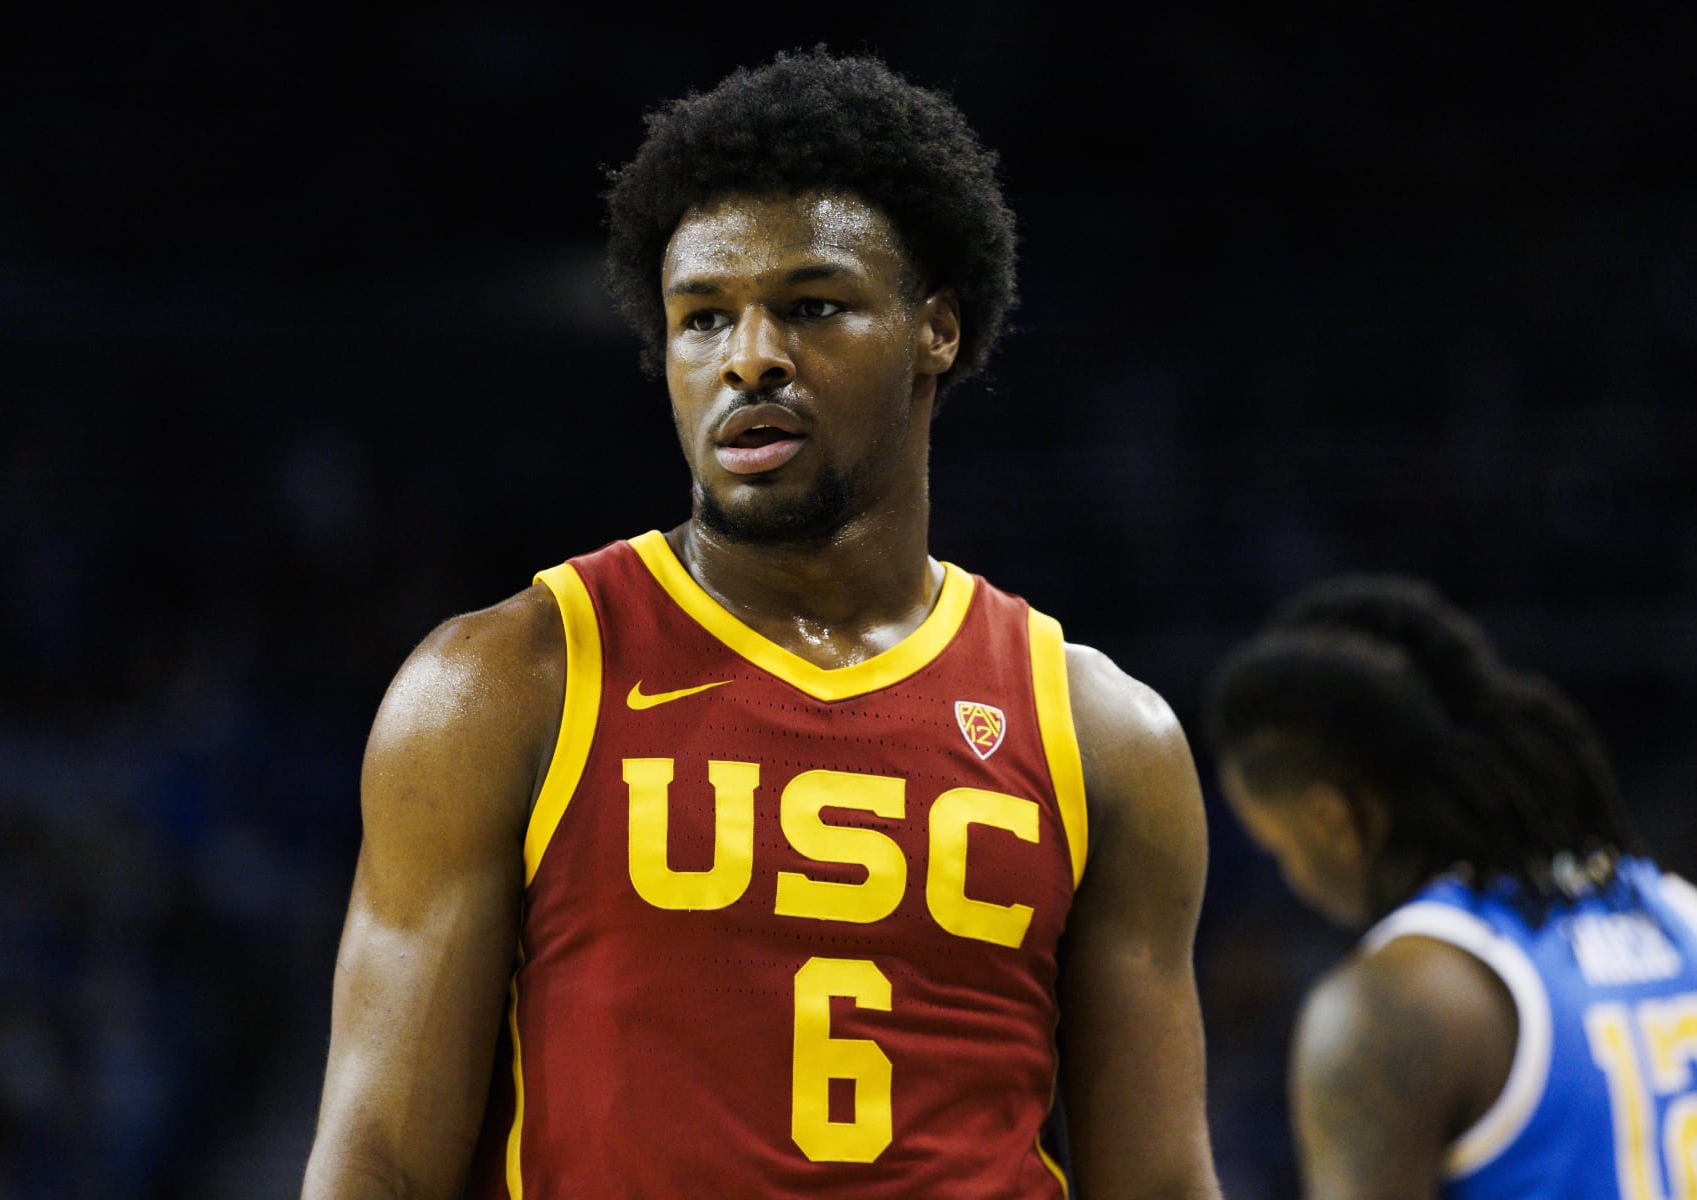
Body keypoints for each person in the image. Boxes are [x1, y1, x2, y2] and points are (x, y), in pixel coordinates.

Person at [301, 47, 1221, 1200]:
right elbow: (379, 1165)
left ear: (935, 330)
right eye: (702, 320)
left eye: (811, 307)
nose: (749, 359)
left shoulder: (1102, 734)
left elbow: (1164, 1184)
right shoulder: (503, 683)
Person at [1204, 573, 1697, 1200]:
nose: (1292, 878)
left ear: (1333, 820)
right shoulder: (1682, 912)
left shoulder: (1401, 1001)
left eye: (1279, 850)